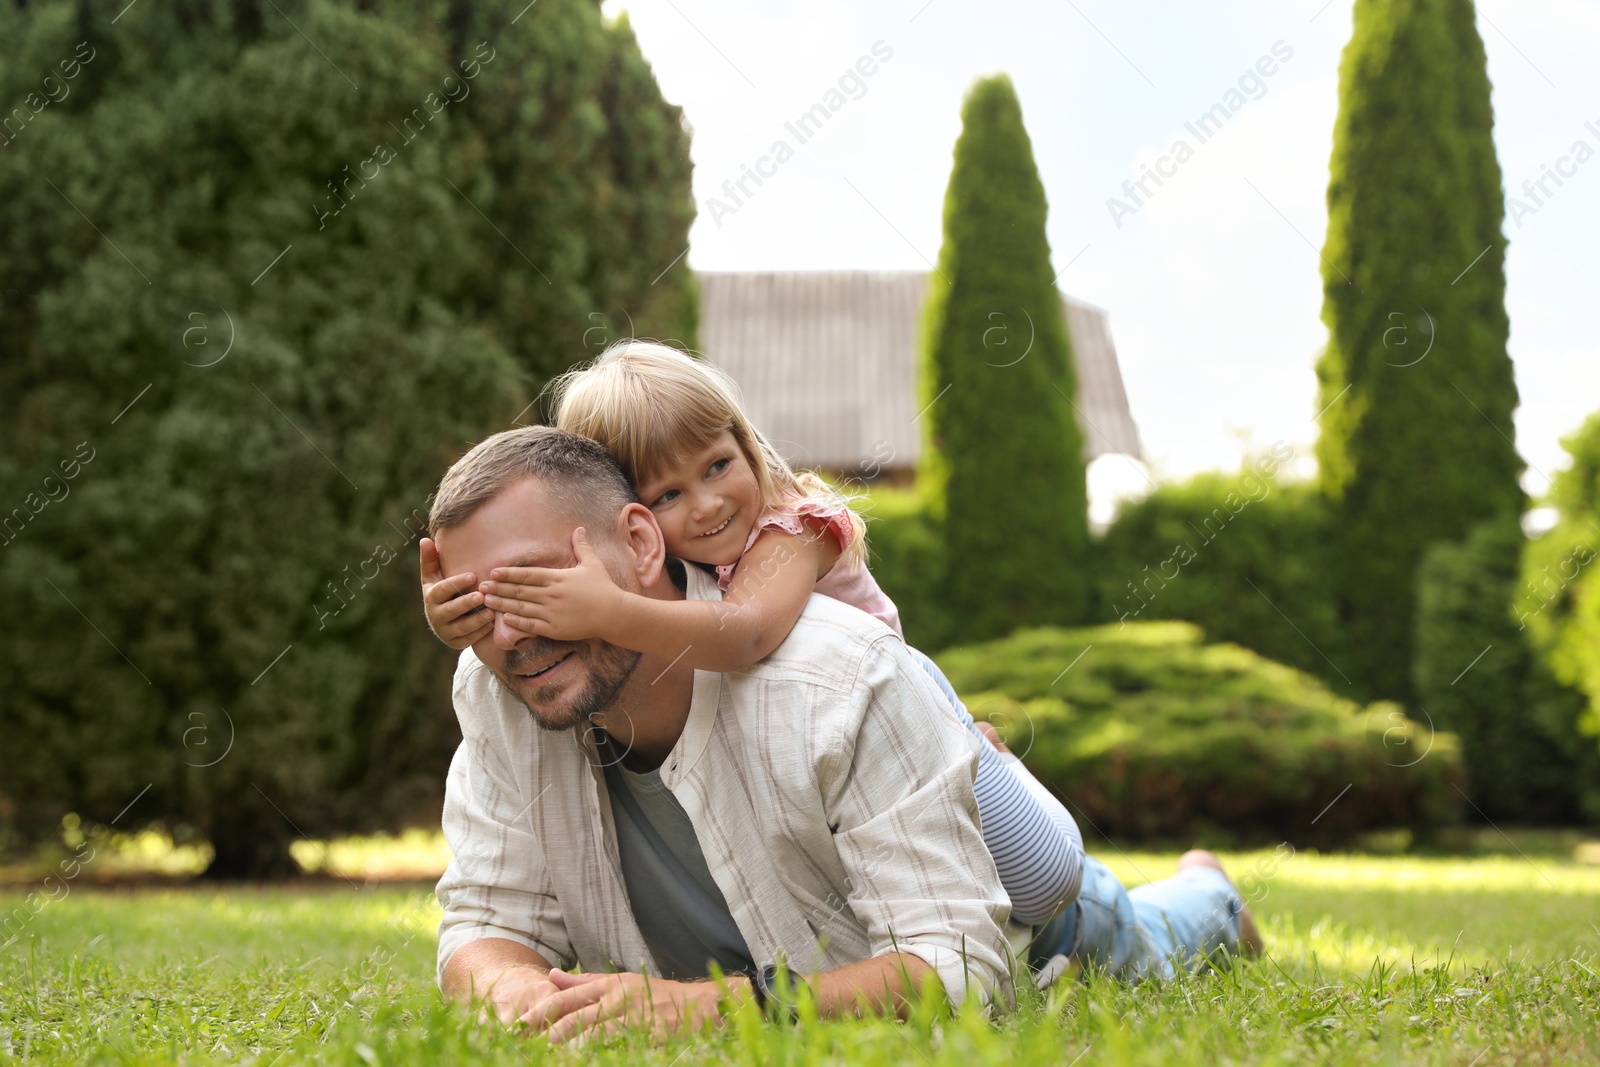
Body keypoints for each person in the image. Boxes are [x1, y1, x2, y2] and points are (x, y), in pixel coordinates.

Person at [421, 340, 1083, 927]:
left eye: (716, 465)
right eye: (667, 495)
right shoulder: (683, 570)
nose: (707, 503)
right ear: (634, 521)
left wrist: (605, 610)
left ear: (745, 442)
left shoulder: (790, 530)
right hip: (856, 761)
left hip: (917, 712)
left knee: (1044, 883)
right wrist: (463, 614)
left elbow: (742, 636)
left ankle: (1188, 876)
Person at [429, 426, 1018, 1040]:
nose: (508, 638)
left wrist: (722, 1008)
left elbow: (961, 964)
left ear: (639, 543)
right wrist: (519, 996)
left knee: (1103, 909)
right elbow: (488, 920)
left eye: (535, 586)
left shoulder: (840, 677)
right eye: (476, 606)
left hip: (1060, 916)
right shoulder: (491, 685)